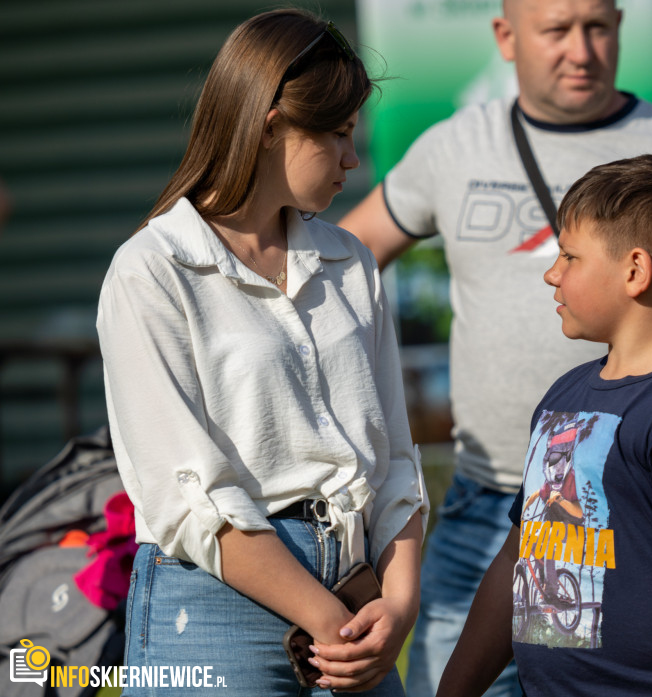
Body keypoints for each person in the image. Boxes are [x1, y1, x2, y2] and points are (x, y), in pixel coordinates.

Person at [339, 1, 652, 694]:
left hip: (623, 512)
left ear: (622, 27)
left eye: (597, 27)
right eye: (556, 30)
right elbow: (344, 261)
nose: (581, 49)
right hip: (484, 506)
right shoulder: (455, 145)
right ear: (506, 37)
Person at [96, 9, 427, 696]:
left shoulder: (351, 263)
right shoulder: (152, 270)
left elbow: (395, 455)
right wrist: (330, 619)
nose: (352, 159)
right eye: (336, 135)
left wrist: (399, 604)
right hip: (218, 604)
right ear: (272, 126)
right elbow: (190, 495)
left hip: (360, 598)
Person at [435, 154, 652, 697]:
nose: (552, 273)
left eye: (570, 256)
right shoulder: (566, 393)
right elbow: (523, 554)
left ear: (635, 270)